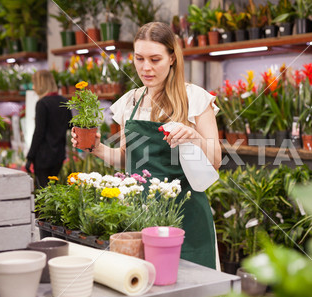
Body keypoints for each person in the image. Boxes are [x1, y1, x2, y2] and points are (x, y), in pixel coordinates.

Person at [71, 22, 222, 269]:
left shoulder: (195, 98)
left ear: (172, 58)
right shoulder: (129, 102)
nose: (145, 67)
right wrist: (97, 148)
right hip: (139, 215)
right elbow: (126, 158)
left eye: (155, 59)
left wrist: (193, 136)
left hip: (187, 214)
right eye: (139, 58)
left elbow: (216, 159)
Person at [26, 70, 72, 188]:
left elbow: (39, 133)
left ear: (41, 84)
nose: (34, 87)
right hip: (59, 155)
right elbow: (69, 125)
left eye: (34, 83)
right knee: (53, 191)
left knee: (43, 192)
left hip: (43, 156)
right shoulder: (64, 101)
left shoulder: (43, 103)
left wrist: (30, 157)